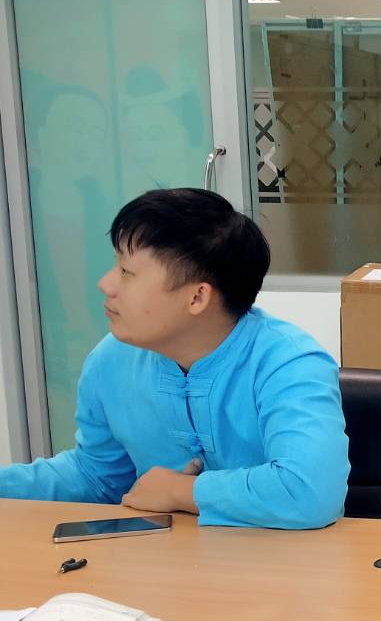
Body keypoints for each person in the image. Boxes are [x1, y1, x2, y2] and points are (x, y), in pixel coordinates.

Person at [0, 188, 349, 529]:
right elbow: (98, 478)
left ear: (197, 297)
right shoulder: (110, 360)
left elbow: (310, 492)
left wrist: (180, 491)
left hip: (284, 572)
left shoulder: (289, 364)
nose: (106, 284)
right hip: (168, 571)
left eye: (127, 272)